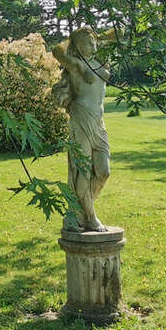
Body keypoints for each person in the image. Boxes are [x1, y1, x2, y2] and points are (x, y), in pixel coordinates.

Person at [52, 27, 112, 232]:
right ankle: (90, 216)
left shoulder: (100, 64)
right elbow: (56, 50)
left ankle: (76, 212)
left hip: (98, 122)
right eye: (88, 41)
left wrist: (97, 35)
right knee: (83, 171)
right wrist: (73, 38)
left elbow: (119, 33)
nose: (93, 44)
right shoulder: (75, 65)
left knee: (103, 171)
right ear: (78, 45)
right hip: (81, 118)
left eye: (94, 41)